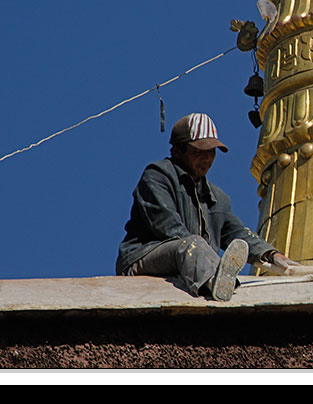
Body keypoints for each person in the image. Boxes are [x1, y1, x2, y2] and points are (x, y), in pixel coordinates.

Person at [116, 112, 299, 301]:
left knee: (196, 246)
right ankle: (216, 281)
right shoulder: (157, 176)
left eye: (211, 152)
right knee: (192, 244)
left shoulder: (217, 197)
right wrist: (207, 257)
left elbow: (238, 233)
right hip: (143, 258)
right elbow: (168, 226)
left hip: (193, 258)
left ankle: (220, 280)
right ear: (177, 151)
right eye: (198, 152)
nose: (206, 159)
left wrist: (271, 254)